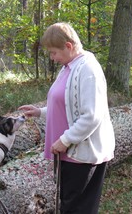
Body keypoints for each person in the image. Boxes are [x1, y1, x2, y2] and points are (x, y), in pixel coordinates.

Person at [19, 22, 115, 214]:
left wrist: (65, 140)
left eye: (54, 52)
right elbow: (69, 105)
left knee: (78, 208)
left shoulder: (88, 69)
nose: (52, 58)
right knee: (69, 205)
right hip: (70, 153)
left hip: (83, 154)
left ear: (69, 46)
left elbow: (91, 116)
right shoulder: (69, 66)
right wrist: (40, 112)